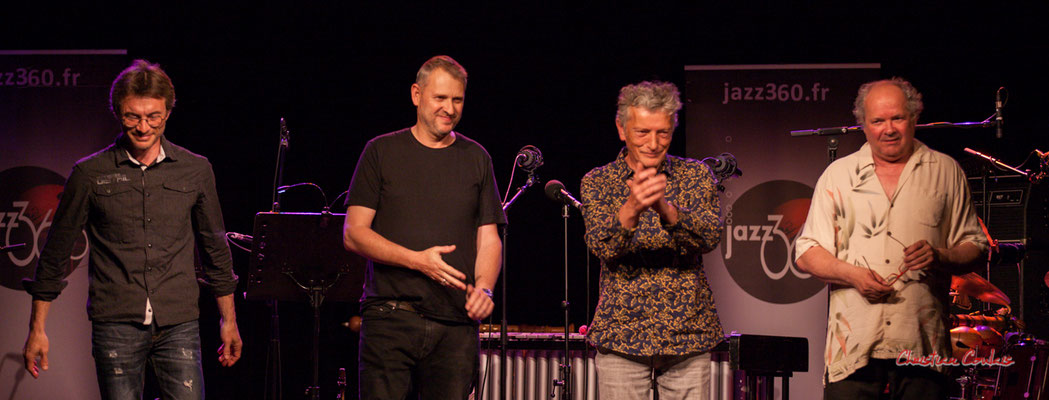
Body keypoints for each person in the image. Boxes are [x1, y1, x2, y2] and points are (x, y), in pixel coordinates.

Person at [22, 59, 242, 399]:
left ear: (168, 112)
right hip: (116, 324)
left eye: (153, 116)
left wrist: (229, 320)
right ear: (117, 113)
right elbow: (55, 252)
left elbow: (215, 248)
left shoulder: (195, 170)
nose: (143, 127)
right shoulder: (89, 174)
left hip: (178, 322)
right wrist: (37, 329)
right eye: (132, 117)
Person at [795, 78, 988, 399]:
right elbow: (807, 251)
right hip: (853, 346)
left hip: (921, 342)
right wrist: (853, 275)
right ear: (863, 124)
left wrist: (939, 255)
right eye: (878, 121)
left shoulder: (945, 171)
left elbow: (976, 246)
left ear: (914, 117)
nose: (889, 129)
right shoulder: (838, 175)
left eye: (897, 118)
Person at [342, 55, 505, 399]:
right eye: (440, 98)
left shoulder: (477, 158)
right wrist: (417, 260)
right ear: (417, 94)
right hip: (391, 318)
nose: (449, 108)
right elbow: (354, 232)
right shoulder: (381, 151)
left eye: (457, 100)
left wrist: (485, 288)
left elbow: (488, 238)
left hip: (456, 326)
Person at [581, 81, 724, 400]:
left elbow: (710, 236)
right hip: (622, 337)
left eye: (662, 133)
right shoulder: (598, 181)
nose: (653, 143)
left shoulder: (696, 176)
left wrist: (664, 208)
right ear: (622, 128)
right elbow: (601, 245)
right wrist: (631, 207)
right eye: (642, 132)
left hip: (688, 335)